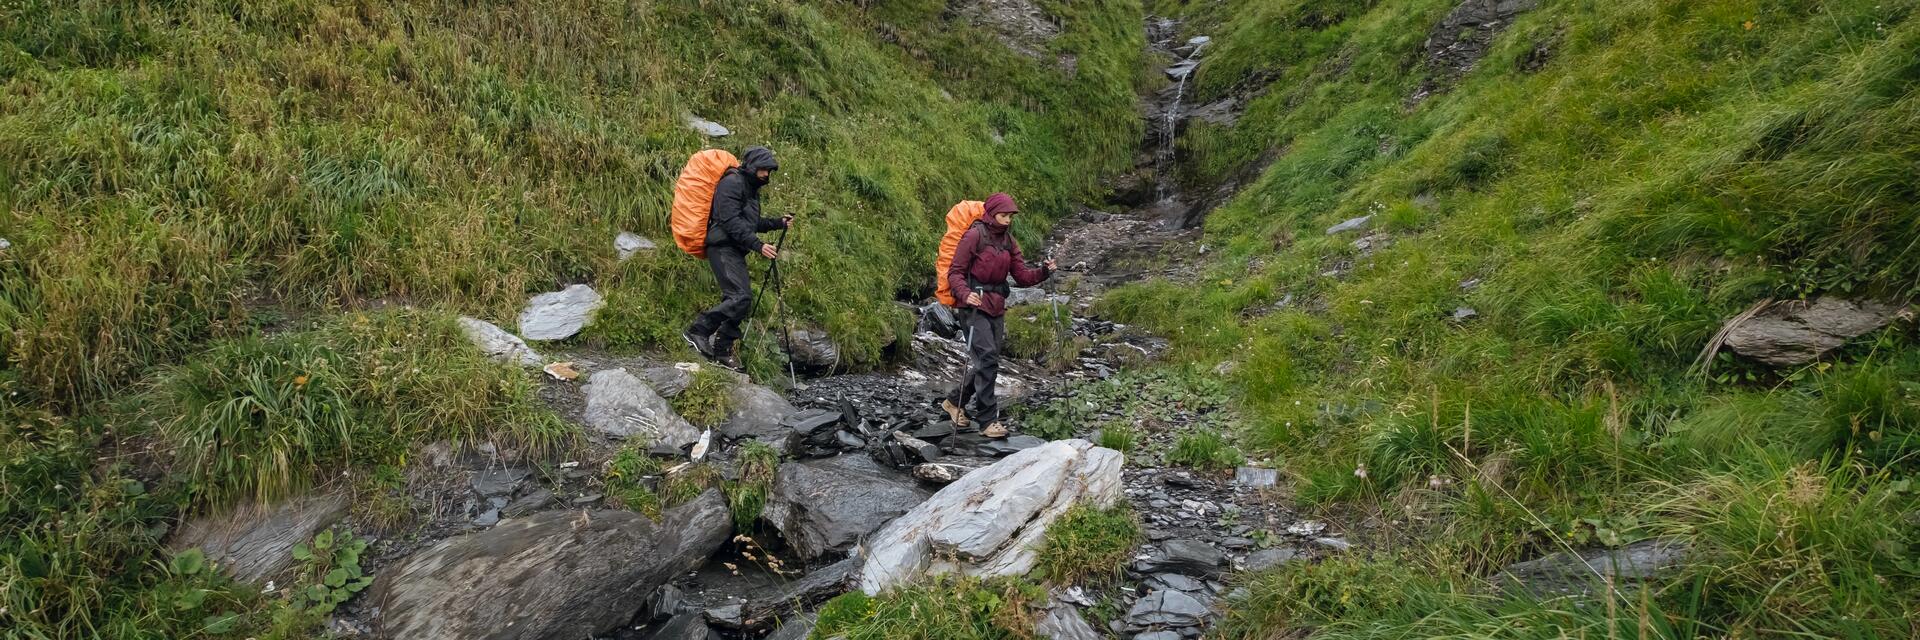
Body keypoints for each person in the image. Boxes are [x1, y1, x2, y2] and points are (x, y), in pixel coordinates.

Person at [942, 192, 1054, 438]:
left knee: (986, 360)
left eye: (1010, 216)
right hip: (972, 306)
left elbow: (1022, 276)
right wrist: (965, 294)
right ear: (991, 214)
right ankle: (987, 421)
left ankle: (953, 402)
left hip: (996, 305)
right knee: (989, 358)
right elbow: (955, 273)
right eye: (1004, 216)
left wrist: (1044, 272)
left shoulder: (1009, 242)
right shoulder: (974, 235)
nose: (1007, 221)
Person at [684, 146, 791, 368]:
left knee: (742, 300)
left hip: (734, 248)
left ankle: (722, 351)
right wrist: (758, 245)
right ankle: (698, 331)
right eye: (764, 170)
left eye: (769, 172)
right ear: (752, 166)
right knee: (739, 297)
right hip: (722, 247)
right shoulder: (731, 183)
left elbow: (751, 223)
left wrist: (777, 223)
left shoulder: (750, 189)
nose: (767, 176)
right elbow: (730, 221)